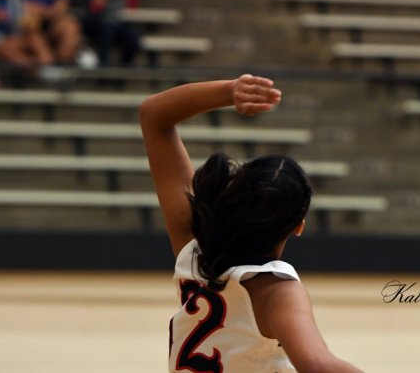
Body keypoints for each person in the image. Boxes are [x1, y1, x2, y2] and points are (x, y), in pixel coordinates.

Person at [140, 75, 362, 372]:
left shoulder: (194, 247)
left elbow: (154, 115)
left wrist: (228, 91)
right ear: (298, 226)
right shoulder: (277, 292)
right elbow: (317, 365)